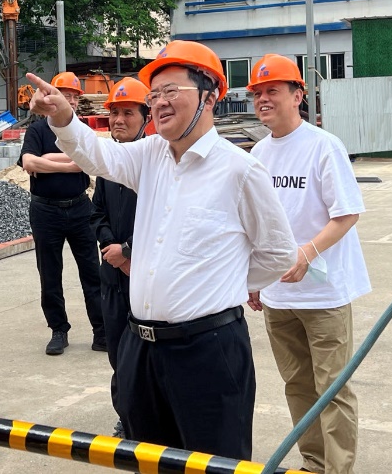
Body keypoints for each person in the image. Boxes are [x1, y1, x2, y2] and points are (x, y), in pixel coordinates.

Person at [26, 41, 298, 461]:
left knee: (213, 464)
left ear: (210, 97)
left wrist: (224, 282)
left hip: (208, 351)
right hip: (141, 347)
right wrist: (63, 116)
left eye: (172, 90)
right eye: (154, 94)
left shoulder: (240, 170)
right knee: (149, 460)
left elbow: (278, 253)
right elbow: (98, 156)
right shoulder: (149, 155)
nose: (159, 102)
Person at [245, 54, 370, 474]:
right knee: (297, 385)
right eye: (258, 93)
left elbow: (347, 214)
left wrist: (307, 252)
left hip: (323, 294)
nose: (263, 99)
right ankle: (314, 464)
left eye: (273, 91)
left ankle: (338, 469)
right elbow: (258, 223)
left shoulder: (323, 145)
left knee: (332, 388)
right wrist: (254, 278)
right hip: (279, 296)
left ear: (298, 95)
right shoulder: (259, 153)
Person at [19, 71, 106, 356]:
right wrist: (69, 163)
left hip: (80, 208)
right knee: (50, 274)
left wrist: (47, 159)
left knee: (92, 272)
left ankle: (101, 330)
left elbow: (87, 163)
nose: (69, 100)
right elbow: (28, 162)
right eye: (64, 95)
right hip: (45, 210)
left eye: (73, 97)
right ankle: (58, 330)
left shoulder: (81, 129)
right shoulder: (37, 130)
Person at [90, 77, 149, 437]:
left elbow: (164, 220)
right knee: (117, 353)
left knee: (146, 355)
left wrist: (128, 251)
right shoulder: (109, 165)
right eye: (114, 113)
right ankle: (125, 417)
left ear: (145, 117)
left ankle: (146, 420)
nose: (119, 120)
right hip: (113, 277)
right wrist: (112, 248)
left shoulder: (156, 162)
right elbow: (97, 213)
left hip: (146, 278)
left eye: (128, 113)